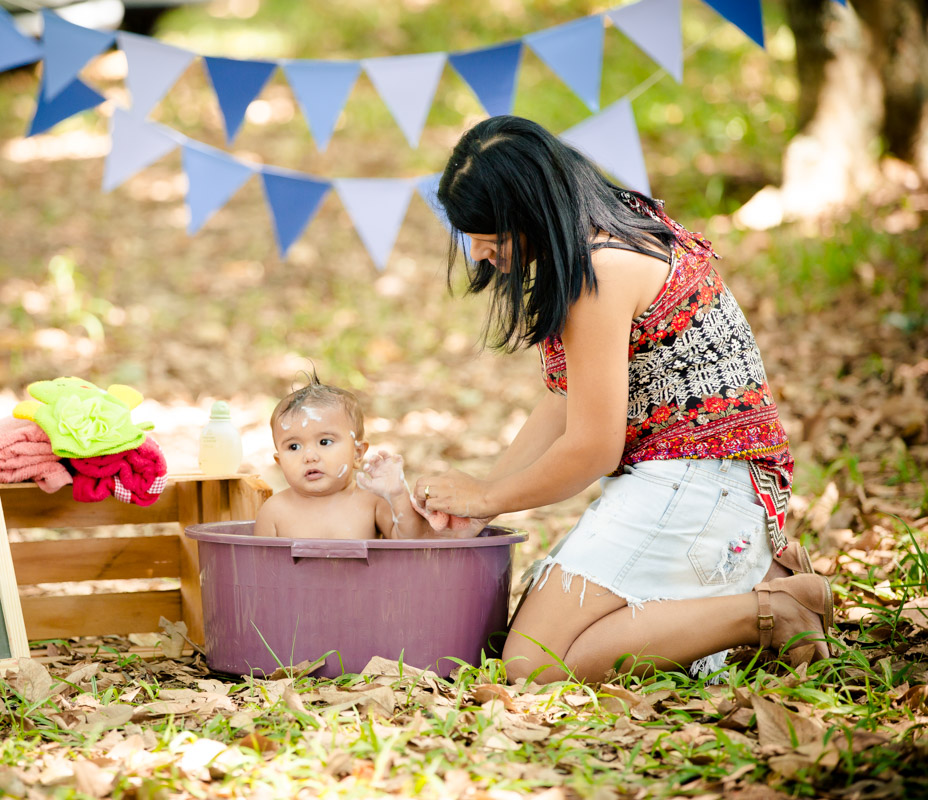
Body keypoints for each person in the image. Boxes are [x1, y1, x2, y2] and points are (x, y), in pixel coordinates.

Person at [413, 115, 833, 684]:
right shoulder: (616, 230)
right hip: (703, 484)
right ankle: (761, 577)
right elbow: (563, 404)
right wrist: (479, 500)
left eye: (488, 234)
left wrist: (489, 496)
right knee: (542, 630)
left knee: (532, 663)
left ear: (527, 212)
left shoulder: (602, 271)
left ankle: (772, 611)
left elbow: (591, 449)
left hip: (704, 485)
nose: (479, 251)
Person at [253, 376, 435, 540]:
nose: (309, 457)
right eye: (294, 447)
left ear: (357, 453)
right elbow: (258, 569)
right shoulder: (274, 511)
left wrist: (398, 496)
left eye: (324, 442)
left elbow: (412, 543)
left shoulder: (372, 502)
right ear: (280, 462)